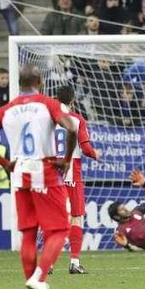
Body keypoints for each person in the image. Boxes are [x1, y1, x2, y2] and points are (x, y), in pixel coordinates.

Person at [0, 64, 79, 289]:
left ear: (19, 83)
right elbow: (72, 127)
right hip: (45, 169)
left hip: (20, 172)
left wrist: (5, 163)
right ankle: (39, 279)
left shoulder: (6, 109)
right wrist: (67, 160)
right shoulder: (48, 104)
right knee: (60, 229)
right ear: (39, 81)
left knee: (28, 233)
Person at [53, 85, 99, 274]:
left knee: (52, 219)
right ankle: (74, 262)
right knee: (76, 218)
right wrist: (96, 154)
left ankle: (48, 263)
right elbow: (86, 149)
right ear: (72, 101)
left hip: (51, 174)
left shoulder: (49, 118)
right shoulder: (76, 119)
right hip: (71, 173)